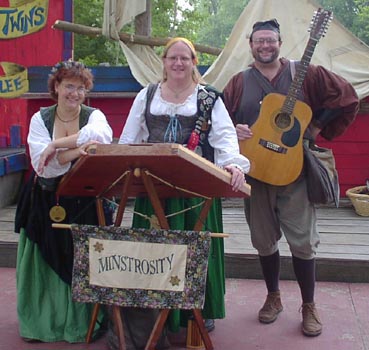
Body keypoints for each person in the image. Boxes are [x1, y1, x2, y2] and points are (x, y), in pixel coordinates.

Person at [223, 19, 359, 337]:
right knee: (262, 239)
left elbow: (346, 97)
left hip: (293, 171)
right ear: (250, 44)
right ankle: (273, 297)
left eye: (271, 40)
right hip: (255, 173)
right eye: (259, 41)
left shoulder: (306, 72)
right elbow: (220, 120)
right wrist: (234, 128)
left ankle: (309, 305)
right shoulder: (239, 81)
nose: (265, 46)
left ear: (280, 42)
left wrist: (316, 126)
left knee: (303, 241)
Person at [114, 37, 250, 349]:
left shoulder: (209, 98)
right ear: (163, 62)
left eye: (184, 58)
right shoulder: (146, 96)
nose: (178, 63)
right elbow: (128, 138)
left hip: (196, 189)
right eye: (172, 58)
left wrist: (233, 165)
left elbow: (225, 138)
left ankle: (197, 310)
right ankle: (152, 313)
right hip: (153, 187)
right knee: (154, 252)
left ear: (193, 63)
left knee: (196, 250)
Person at [14, 60, 113, 342]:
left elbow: (100, 138)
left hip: (82, 201)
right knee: (44, 259)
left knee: (80, 262)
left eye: (81, 88)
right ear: (56, 87)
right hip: (45, 201)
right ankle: (41, 323)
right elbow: (42, 165)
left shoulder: (94, 116)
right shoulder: (40, 119)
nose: (75, 93)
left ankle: (80, 324)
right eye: (69, 86)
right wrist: (78, 151)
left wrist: (56, 145)